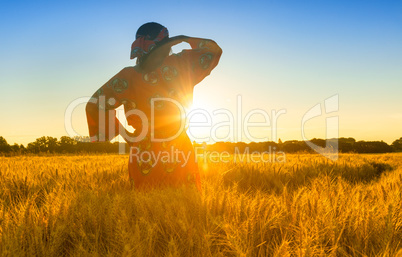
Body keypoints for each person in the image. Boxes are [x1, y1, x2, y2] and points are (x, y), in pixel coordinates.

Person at [85, 22, 222, 190]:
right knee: (185, 205)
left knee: (146, 207)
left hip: (143, 153)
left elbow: (95, 105)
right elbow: (213, 50)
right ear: (164, 45)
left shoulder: (128, 77)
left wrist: (128, 137)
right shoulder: (181, 64)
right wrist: (184, 39)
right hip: (179, 150)